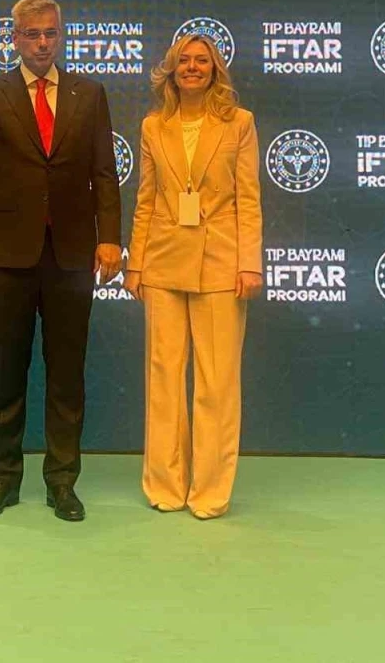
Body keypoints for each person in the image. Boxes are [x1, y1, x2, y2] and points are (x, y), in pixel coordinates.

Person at [0, 0, 123, 522]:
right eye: (32, 34)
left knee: (67, 373)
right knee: (7, 370)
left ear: (60, 35)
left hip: (72, 254)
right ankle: (3, 479)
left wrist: (110, 237)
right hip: (6, 254)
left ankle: (62, 482)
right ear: (15, 39)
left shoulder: (89, 94)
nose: (43, 42)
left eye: (51, 32)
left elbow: (104, 171)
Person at [123, 33, 263, 520]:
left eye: (202, 60)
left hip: (222, 263)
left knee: (216, 381)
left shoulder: (239, 123)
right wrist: (135, 263)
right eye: (184, 60)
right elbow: (145, 199)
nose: (192, 67)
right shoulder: (152, 125)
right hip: (162, 261)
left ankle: (210, 489)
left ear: (215, 69)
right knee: (163, 375)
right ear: (171, 69)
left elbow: (249, 198)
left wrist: (250, 262)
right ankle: (164, 483)